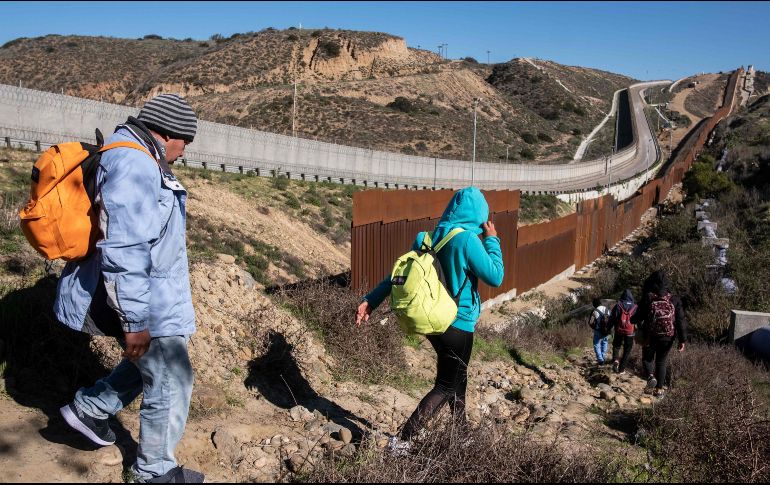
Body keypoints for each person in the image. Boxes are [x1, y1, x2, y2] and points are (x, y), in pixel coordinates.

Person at [54, 94, 204, 483]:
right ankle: (154, 471)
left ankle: (90, 409)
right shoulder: (136, 163)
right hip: (143, 298)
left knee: (153, 366)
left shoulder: (140, 156)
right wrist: (135, 321)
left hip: (152, 294)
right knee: (171, 375)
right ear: (167, 133)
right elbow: (125, 247)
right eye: (184, 141)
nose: (185, 152)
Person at [355, 187, 504, 448]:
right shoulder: (468, 240)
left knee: (458, 377)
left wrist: (371, 300)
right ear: (480, 215)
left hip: (434, 321)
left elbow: (398, 276)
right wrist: (492, 240)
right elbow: (495, 276)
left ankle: (462, 433)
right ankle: (403, 440)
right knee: (446, 385)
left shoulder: (428, 237)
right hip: (459, 324)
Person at [631, 270, 687, 397]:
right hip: (668, 337)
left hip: (650, 336)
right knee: (661, 361)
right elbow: (680, 321)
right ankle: (659, 390)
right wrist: (682, 340)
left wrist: (632, 320)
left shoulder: (648, 298)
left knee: (647, 358)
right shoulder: (674, 299)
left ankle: (651, 377)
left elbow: (637, 317)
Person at [608, 289, 638, 374]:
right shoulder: (635, 307)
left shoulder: (618, 305)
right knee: (627, 350)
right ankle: (621, 369)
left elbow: (612, 318)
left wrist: (608, 328)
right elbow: (638, 320)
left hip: (619, 330)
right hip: (630, 332)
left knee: (616, 346)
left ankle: (616, 360)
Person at [588, 297, 611, 365]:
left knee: (596, 344)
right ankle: (603, 356)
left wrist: (594, 327)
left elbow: (590, 322)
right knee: (605, 342)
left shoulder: (595, 311)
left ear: (595, 304)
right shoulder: (607, 309)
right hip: (606, 330)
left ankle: (600, 359)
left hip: (598, 330)